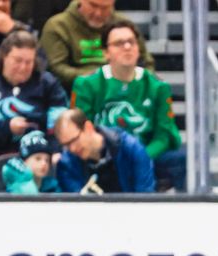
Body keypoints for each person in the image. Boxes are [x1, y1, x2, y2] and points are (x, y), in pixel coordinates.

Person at [71, 20, 185, 191]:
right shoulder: (87, 85)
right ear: (105, 53)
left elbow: (164, 136)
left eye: (131, 42)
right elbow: (78, 130)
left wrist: (141, 157)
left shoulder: (158, 86)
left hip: (147, 153)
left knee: (182, 159)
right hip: (103, 156)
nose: (127, 47)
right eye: (118, 43)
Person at [0, 30, 68, 162]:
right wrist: (7, 127)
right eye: (18, 60)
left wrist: (54, 152)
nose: (23, 67)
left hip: (37, 160)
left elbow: (59, 126)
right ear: (4, 56)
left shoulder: (48, 84)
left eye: (29, 62)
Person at [39, 0, 154, 92]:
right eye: (93, 5)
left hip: (124, 90)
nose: (98, 13)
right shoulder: (58, 26)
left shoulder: (123, 25)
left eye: (105, 8)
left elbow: (146, 62)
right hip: (73, 91)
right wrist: (98, 79)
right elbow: (56, 69)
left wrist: (135, 81)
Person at [53, 108, 155, 193]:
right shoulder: (66, 165)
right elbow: (77, 205)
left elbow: (144, 198)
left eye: (74, 140)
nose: (72, 148)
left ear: (88, 128)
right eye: (66, 145)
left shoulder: (132, 149)